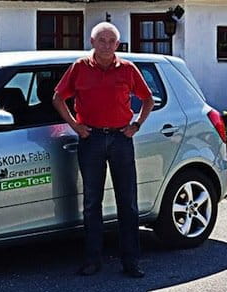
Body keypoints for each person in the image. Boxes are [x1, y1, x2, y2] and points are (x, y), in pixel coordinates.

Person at [52, 22, 154, 278]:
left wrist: (137, 125)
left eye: (111, 41)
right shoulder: (79, 68)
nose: (107, 45)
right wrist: (75, 125)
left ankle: (131, 262)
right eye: (102, 40)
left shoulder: (128, 69)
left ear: (117, 45)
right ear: (92, 41)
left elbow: (148, 99)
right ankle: (92, 260)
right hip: (92, 139)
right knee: (91, 202)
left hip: (121, 138)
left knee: (127, 202)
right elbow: (58, 97)